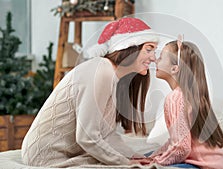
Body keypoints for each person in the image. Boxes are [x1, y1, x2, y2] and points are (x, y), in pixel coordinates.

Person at [21, 17, 159, 167]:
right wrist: (125, 163)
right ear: (130, 47)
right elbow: (87, 137)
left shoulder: (112, 76)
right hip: (46, 156)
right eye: (149, 49)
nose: (153, 58)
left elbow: (107, 135)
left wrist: (134, 157)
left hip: (67, 152)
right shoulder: (100, 70)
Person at [138, 37, 223, 169]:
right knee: (147, 155)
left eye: (161, 58)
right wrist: (153, 157)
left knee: (150, 164)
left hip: (199, 166)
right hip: (217, 165)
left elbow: (181, 148)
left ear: (174, 69)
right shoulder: (191, 95)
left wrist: (156, 163)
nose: (155, 60)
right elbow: (175, 141)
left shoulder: (174, 98)